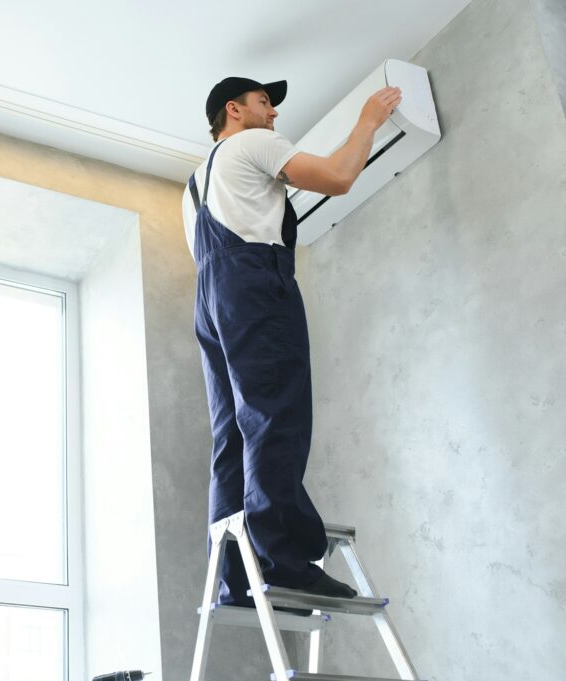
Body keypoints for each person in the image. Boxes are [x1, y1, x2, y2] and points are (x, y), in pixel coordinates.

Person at [183, 76, 402, 608]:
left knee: (233, 433)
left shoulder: (192, 186)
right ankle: (284, 562)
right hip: (255, 282)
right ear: (233, 110)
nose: (274, 115)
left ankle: (236, 578)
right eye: (264, 103)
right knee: (276, 414)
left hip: (213, 299)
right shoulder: (252, 142)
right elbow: (338, 177)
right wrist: (369, 118)